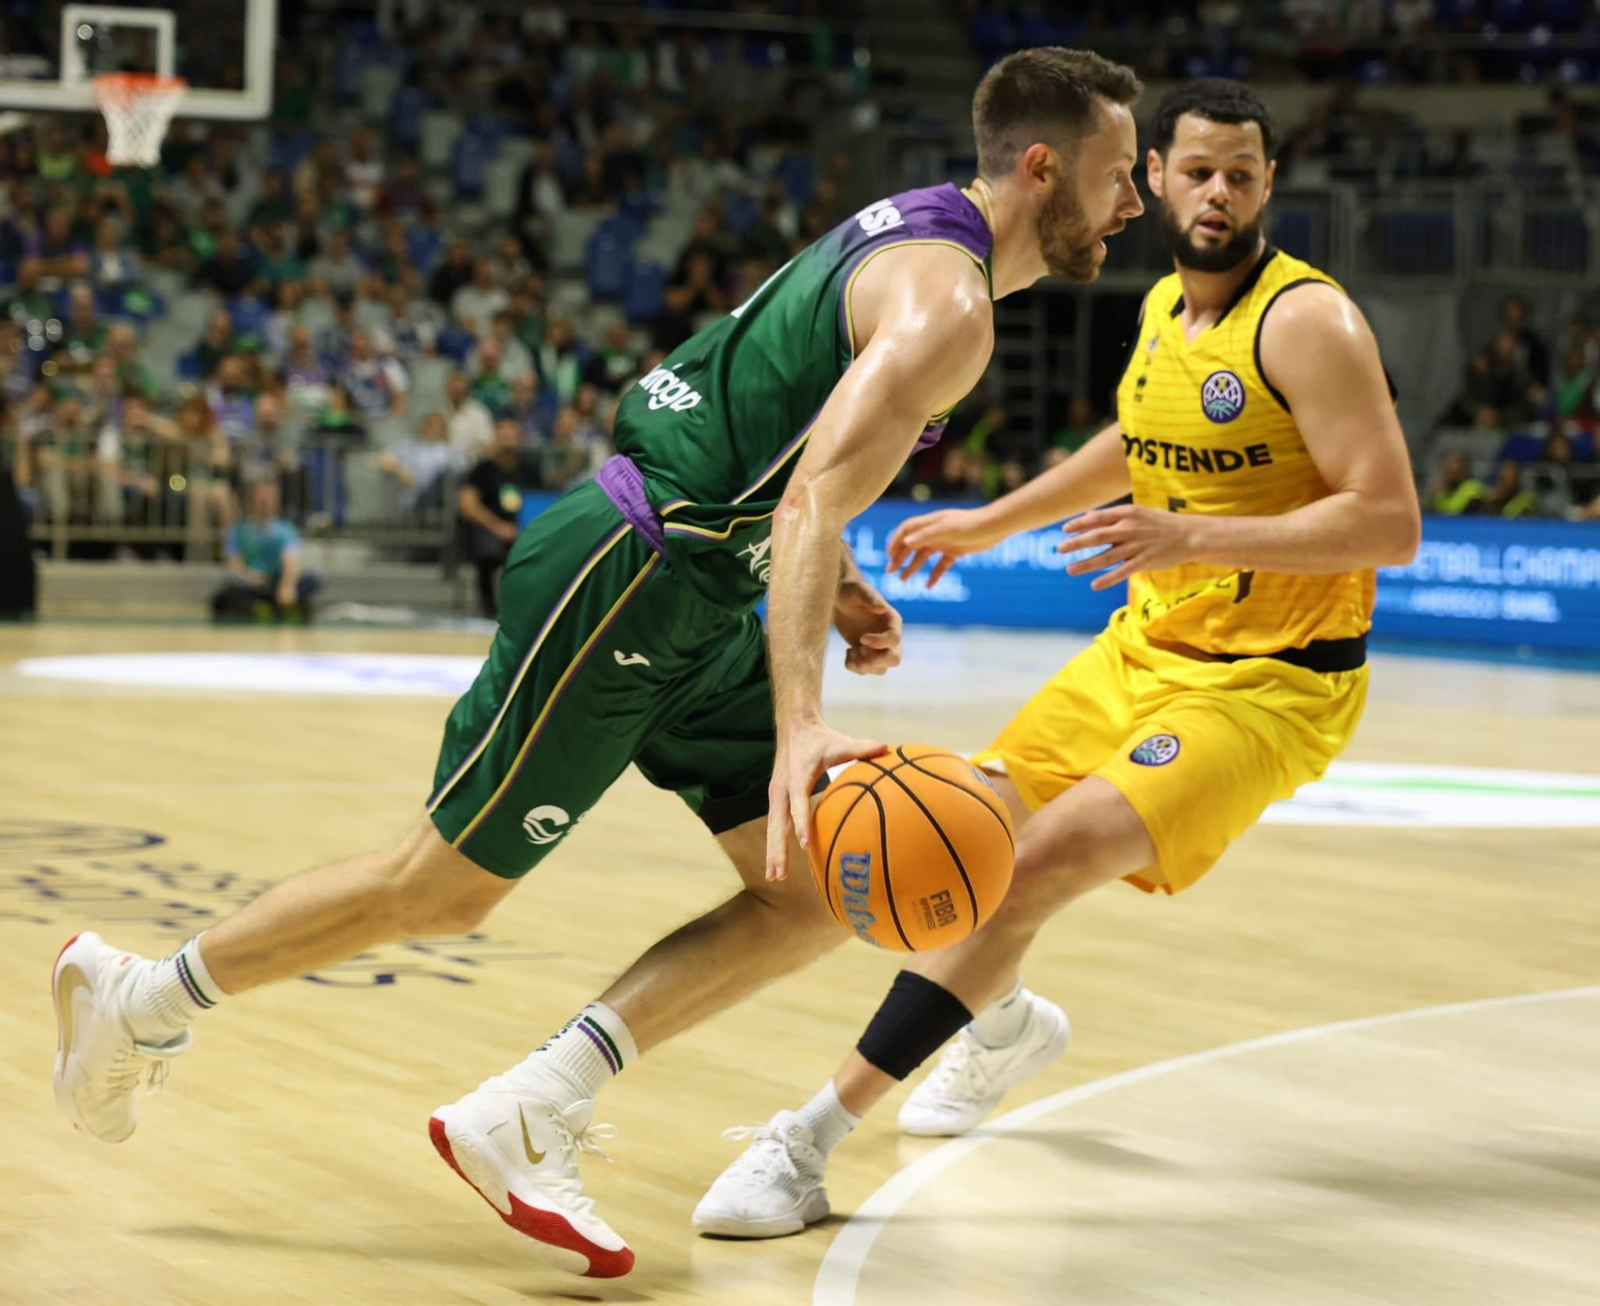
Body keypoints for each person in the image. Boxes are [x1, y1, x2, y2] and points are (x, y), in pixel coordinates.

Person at [50, 47, 1143, 1280]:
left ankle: (532, 1106)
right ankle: (138, 998)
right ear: (1042, 164)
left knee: (813, 886)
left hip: (703, 579)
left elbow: (774, 435)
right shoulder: (950, 306)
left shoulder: (915, 244)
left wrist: (830, 585)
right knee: (444, 889)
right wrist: (802, 718)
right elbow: (804, 501)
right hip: (629, 571)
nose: (1136, 201)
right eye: (1118, 172)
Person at [695, 78, 1420, 1240]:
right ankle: (1003, 1022)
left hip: (1276, 683)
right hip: (1141, 650)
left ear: (1270, 184)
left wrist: (1194, 535)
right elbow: (1136, 442)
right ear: (1157, 183)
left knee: (1027, 866)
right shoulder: (1164, 317)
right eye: (1193, 171)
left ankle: (806, 1141)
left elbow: (1390, 520)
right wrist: (992, 522)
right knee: (966, 827)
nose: (1216, 192)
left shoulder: (1307, 322)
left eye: (1240, 172)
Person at [210, 480, 319, 621]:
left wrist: (287, 586)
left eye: (269, 499)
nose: (264, 503)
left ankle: (279, 605)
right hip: (252, 582)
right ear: (251, 502)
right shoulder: (239, 530)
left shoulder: (285, 530)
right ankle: (260, 607)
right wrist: (250, 577)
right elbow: (234, 564)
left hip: (276, 580)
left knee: (313, 578)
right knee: (228, 589)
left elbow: (291, 561)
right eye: (260, 499)